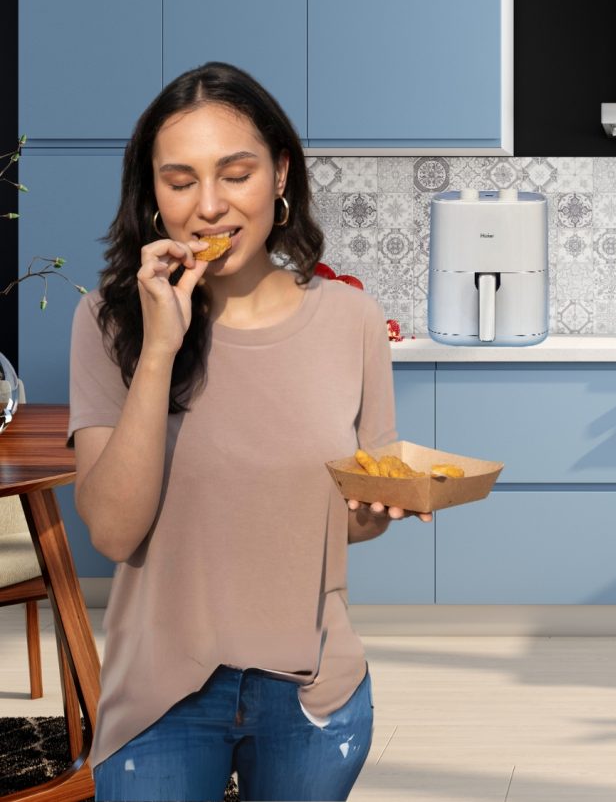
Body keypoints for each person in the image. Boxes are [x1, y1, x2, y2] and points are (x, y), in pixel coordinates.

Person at [68, 61, 432, 802]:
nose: (209, 206)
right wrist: (161, 346)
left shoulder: (351, 320)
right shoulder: (109, 324)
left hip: (311, 693)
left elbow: (356, 516)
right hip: (160, 697)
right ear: (153, 196)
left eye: (235, 174)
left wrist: (372, 513)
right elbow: (111, 529)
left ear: (279, 175)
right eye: (180, 181)